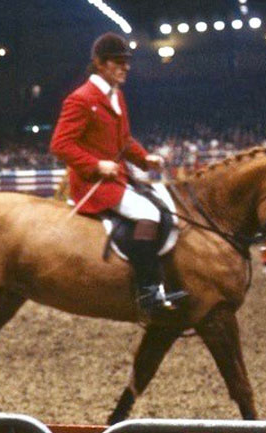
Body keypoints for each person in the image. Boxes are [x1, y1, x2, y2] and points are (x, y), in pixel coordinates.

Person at [50, 32, 186, 315]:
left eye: (127, 62)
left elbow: (124, 141)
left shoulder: (117, 96)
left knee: (163, 204)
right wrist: (96, 164)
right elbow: (60, 145)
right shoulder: (81, 99)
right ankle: (148, 291)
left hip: (118, 177)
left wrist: (146, 159)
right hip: (94, 183)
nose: (126, 67)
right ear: (100, 64)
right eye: (119, 62)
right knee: (148, 214)